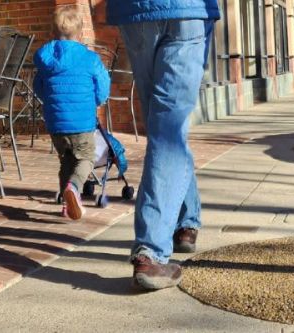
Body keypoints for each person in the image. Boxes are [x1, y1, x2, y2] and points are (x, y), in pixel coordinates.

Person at [107, 0, 220, 290]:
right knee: (167, 131)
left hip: (135, 11)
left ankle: (186, 222)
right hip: (186, 10)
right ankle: (151, 252)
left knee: (164, 129)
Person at [33, 6, 111, 221]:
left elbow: (38, 86)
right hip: (82, 121)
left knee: (66, 160)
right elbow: (103, 84)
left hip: (55, 122)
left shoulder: (45, 60)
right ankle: (74, 188)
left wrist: (51, 101)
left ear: (52, 33)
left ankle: (66, 207)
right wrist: (97, 100)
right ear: (80, 33)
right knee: (85, 157)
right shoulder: (90, 58)